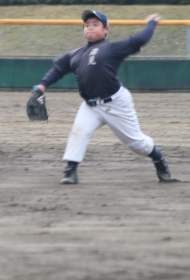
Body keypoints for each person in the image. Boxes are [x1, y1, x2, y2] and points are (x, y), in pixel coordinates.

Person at [34, 10, 172, 184]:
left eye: (95, 24)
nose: (90, 27)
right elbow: (58, 69)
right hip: (90, 105)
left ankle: (158, 159)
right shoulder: (75, 54)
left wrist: (152, 23)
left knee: (137, 144)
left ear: (106, 29)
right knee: (79, 131)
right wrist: (42, 85)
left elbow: (140, 40)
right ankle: (70, 171)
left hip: (115, 103)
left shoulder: (112, 48)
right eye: (87, 25)